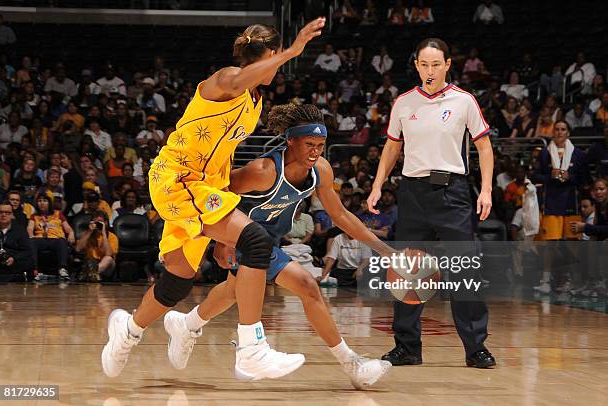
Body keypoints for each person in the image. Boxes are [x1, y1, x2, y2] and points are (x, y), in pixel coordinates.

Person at [101, 19, 326, 381]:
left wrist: (225, 221)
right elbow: (238, 80)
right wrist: (294, 51)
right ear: (269, 55)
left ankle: (127, 331)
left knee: (178, 278)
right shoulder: (226, 79)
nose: (279, 69)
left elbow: (222, 156)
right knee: (254, 240)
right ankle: (251, 349)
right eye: (277, 59)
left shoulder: (255, 101)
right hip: (178, 179)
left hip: (207, 188)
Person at [163, 104, 392, 388]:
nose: (315, 151)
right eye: (309, 144)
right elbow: (217, 194)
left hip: (267, 240)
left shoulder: (320, 170)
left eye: (320, 145)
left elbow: (341, 215)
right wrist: (222, 241)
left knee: (232, 292)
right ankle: (352, 363)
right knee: (308, 285)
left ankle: (187, 324)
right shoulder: (263, 170)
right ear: (290, 141)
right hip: (246, 238)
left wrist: (387, 252)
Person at [368, 38, 496, 368]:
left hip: (453, 192)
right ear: (416, 66)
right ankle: (407, 347)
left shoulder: (464, 101)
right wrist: (377, 185)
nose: (429, 70)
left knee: (463, 271)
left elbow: (483, 147)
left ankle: (475, 347)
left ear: (448, 65)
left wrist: (485, 190)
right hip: (412, 193)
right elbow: (392, 149)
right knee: (408, 273)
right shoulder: (403, 103)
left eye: (435, 64)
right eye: (424, 64)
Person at [27, 193, 76, 279]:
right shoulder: (34, 216)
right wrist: (31, 236)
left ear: (49, 203)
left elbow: (67, 227)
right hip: (41, 239)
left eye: (45, 201)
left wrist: (71, 233)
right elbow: (30, 228)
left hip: (56, 239)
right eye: (39, 201)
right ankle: (34, 270)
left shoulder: (58, 214)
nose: (42, 203)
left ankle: (62, 269)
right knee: (31, 241)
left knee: (62, 241)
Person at [0, 200, 33, 283]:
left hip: (13, 260)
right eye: (1, 212)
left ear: (12, 214)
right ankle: (15, 277)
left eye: (7, 212)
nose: (3, 215)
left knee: (28, 262)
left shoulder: (20, 230)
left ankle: (4, 277)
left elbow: (27, 250)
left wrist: (14, 258)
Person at [76, 210, 118, 282]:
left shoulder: (112, 237)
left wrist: (104, 233)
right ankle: (92, 275)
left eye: (100, 222)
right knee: (90, 263)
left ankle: (90, 274)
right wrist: (90, 231)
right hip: (91, 263)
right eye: (96, 222)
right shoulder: (87, 234)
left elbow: (108, 254)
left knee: (108, 258)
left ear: (106, 223)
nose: (98, 225)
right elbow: (78, 249)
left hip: (106, 267)